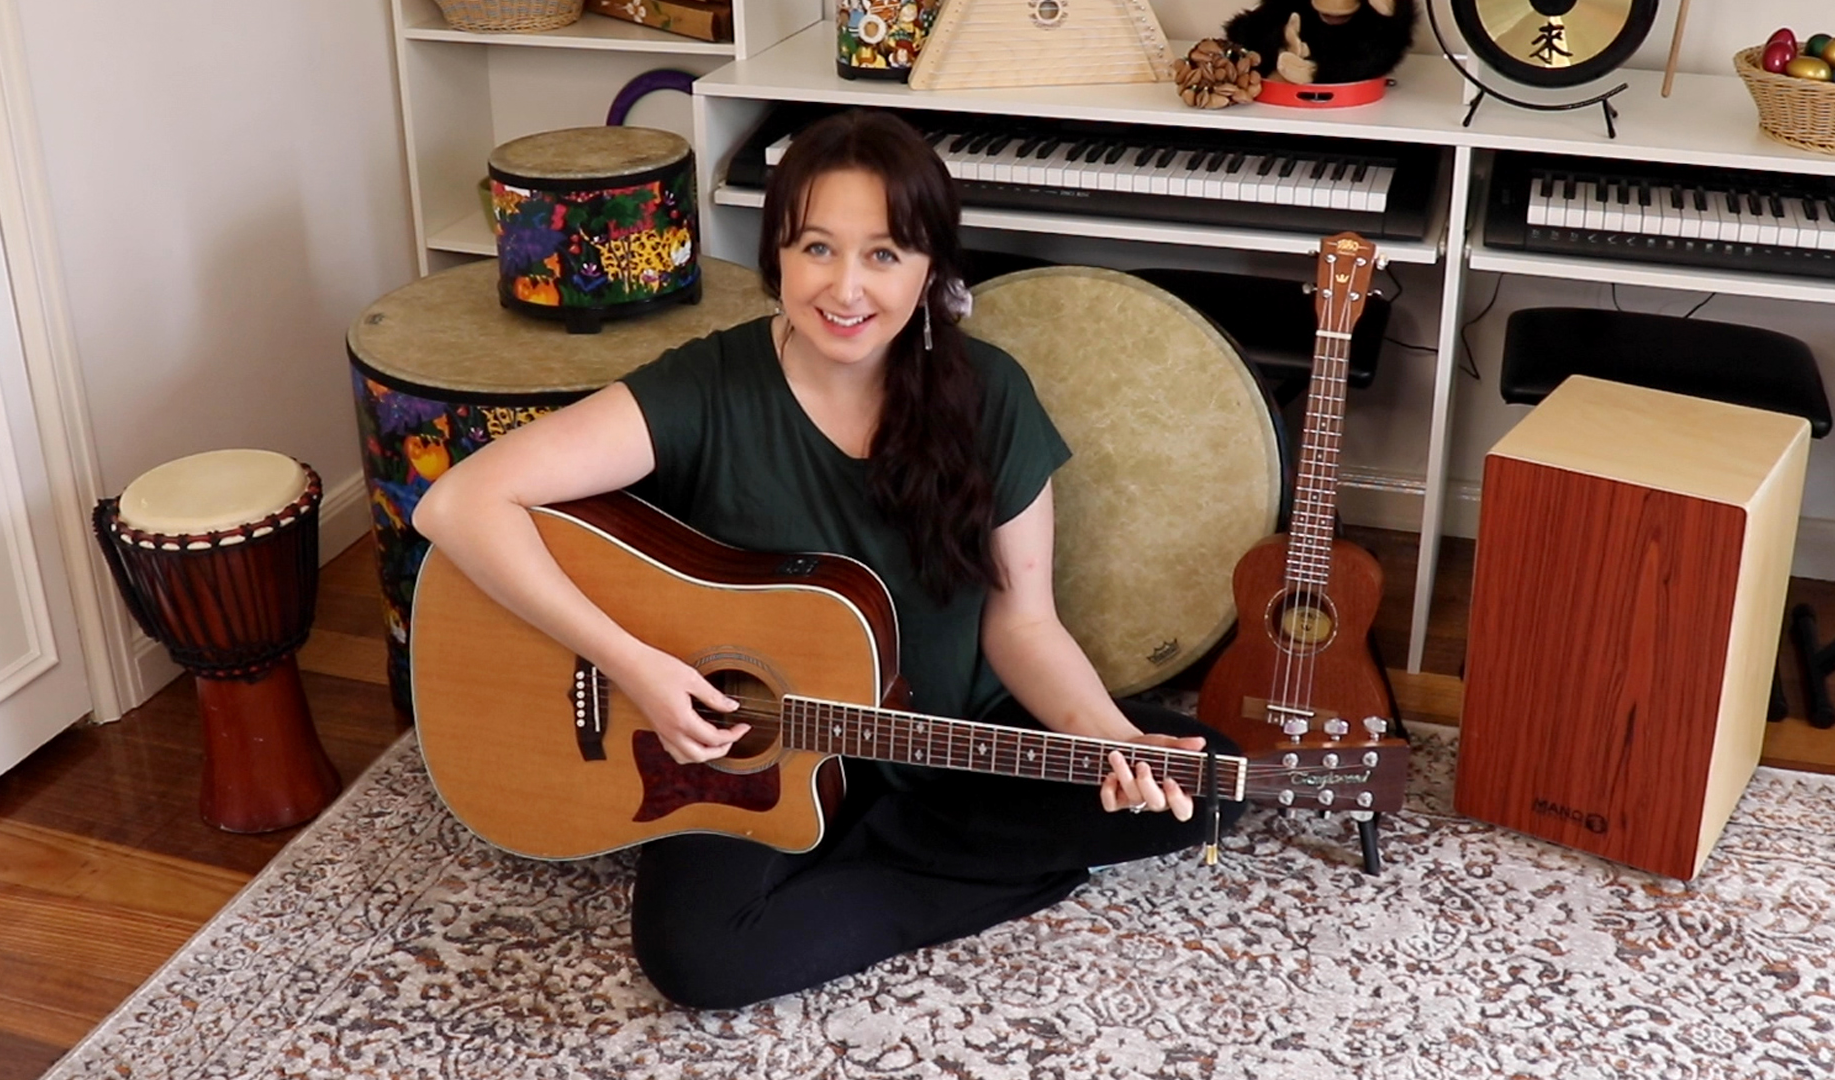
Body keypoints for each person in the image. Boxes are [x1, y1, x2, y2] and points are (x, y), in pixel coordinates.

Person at [411, 109, 1244, 1009]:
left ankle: (885, 844)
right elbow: (459, 502)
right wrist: (636, 666)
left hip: (949, 733)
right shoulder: (708, 386)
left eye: (885, 254)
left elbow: (1024, 622)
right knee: (699, 961)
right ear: (777, 253)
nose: (846, 288)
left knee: (1202, 779)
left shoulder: (990, 394)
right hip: (755, 750)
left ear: (932, 269)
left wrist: (1110, 745)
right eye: (817, 247)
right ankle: (974, 855)